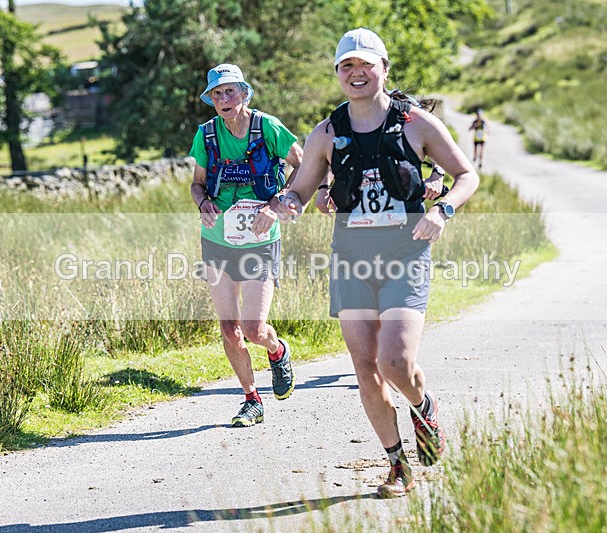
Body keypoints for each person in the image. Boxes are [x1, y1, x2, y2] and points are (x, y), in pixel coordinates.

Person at [278, 29, 479, 498]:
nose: (356, 73)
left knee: (395, 362)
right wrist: (287, 202)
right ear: (338, 75)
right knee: (365, 367)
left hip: (405, 255)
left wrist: (442, 209)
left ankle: (422, 404)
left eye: (365, 64)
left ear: (383, 69)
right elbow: (302, 189)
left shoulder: (417, 123)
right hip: (351, 260)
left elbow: (466, 175)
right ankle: (397, 465)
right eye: (346, 66)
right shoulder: (326, 133)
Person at [189, 64, 303, 427]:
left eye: (230, 92)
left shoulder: (267, 127)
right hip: (217, 240)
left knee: (254, 329)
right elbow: (197, 184)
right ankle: (251, 400)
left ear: (244, 93)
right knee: (228, 328)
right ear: (211, 100)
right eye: (217, 94)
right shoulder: (206, 135)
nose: (224, 99)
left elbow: (303, 165)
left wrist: (277, 203)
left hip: (259, 241)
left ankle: (277, 350)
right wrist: (203, 203)